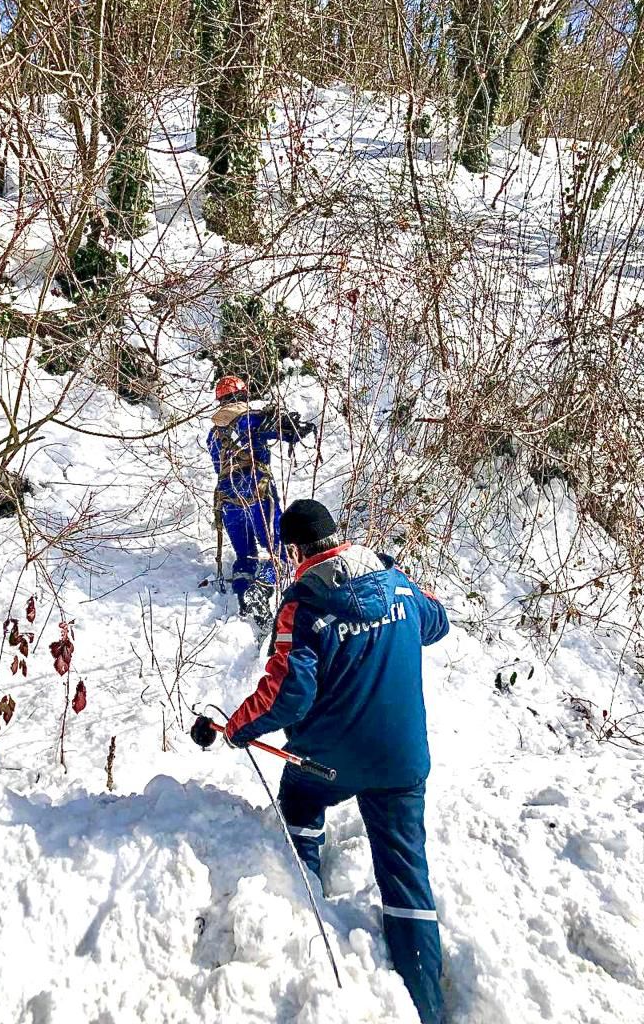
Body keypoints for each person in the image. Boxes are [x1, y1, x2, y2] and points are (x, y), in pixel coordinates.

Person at [222, 498, 449, 1024]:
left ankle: (306, 917)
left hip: (327, 761)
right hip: (402, 762)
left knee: (298, 802)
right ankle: (428, 1008)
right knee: (407, 878)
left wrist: (236, 728)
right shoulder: (396, 584)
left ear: (296, 550)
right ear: (337, 537)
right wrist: (401, 581)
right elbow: (436, 623)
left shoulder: (302, 607)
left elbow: (288, 697)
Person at [207, 375, 315, 625]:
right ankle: (264, 587)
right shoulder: (252, 418)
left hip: (228, 499)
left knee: (245, 558)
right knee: (283, 551)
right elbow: (286, 431)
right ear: (243, 395)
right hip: (258, 491)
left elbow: (218, 466)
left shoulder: (214, 435)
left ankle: (246, 602)